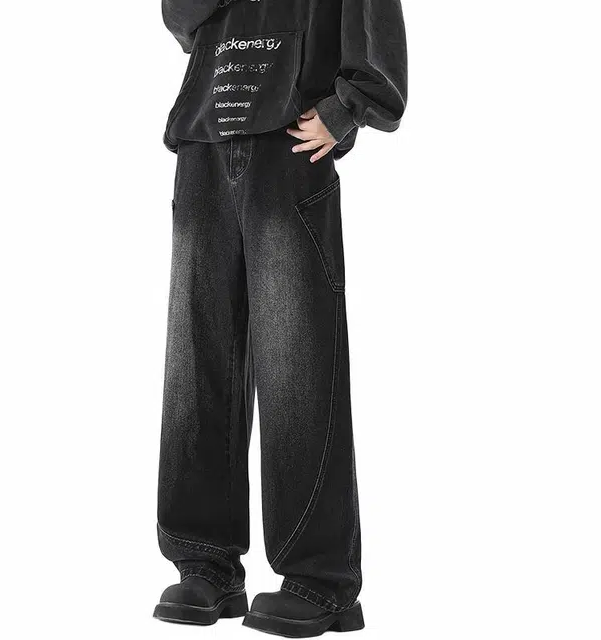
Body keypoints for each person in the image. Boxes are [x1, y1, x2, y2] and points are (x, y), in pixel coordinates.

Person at [153, 0, 407, 636]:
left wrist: (346, 108)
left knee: (297, 358)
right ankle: (205, 563)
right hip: (205, 135)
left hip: (291, 140)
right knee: (197, 361)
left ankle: (321, 580)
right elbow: (179, 17)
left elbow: (375, 20)